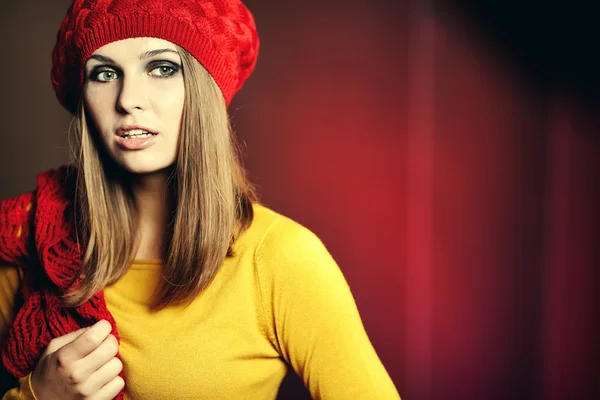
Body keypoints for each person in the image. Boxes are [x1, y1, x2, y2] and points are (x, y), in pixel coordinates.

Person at [0, 0, 401, 399]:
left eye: (162, 68)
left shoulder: (279, 258)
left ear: (206, 89)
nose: (127, 100)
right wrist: (39, 394)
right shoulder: (32, 238)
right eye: (104, 73)